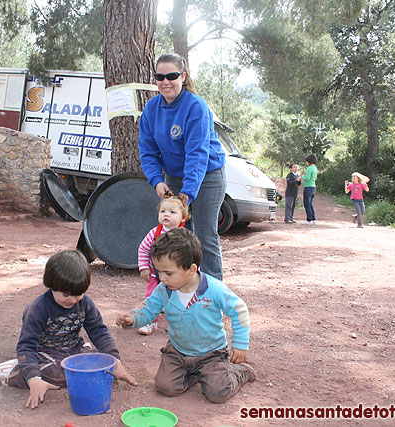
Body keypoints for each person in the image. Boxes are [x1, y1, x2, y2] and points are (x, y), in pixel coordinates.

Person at [0, 250, 136, 409]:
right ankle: (19, 372)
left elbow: (99, 331)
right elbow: (27, 345)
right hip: (45, 352)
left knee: (97, 366)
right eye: (66, 294)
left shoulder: (85, 303)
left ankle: (35, 369)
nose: (73, 300)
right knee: (61, 373)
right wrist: (34, 379)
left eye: (79, 294)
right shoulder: (37, 310)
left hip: (73, 349)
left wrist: (115, 362)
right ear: (52, 285)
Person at [116, 228, 255, 403]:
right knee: (165, 387)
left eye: (168, 273)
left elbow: (239, 309)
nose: (161, 278)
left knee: (217, 393)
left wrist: (241, 345)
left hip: (211, 353)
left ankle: (239, 372)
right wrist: (132, 319)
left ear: (191, 269)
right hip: (178, 351)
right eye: (158, 271)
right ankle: (197, 375)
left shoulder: (214, 289)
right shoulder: (164, 290)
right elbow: (149, 309)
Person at [138, 52, 226, 281]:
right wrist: (157, 181)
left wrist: (188, 192)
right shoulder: (151, 109)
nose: (165, 81)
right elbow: (147, 152)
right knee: (177, 236)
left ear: (183, 76)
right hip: (175, 177)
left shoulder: (196, 107)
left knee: (204, 236)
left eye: (172, 76)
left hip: (207, 176)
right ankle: (180, 289)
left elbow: (197, 154)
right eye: (160, 76)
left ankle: (211, 294)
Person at [137, 193, 189, 335]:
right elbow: (143, 249)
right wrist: (144, 267)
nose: (167, 215)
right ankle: (150, 322)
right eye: (163, 211)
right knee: (151, 298)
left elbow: (190, 256)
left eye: (172, 212)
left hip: (176, 278)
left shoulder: (183, 236)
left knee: (180, 300)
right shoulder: (154, 233)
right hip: (155, 274)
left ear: (183, 218)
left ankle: (179, 325)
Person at [301, 154, 318, 224]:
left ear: (309, 161)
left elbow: (307, 178)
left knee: (307, 204)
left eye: (307, 161)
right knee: (310, 203)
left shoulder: (309, 168)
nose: (306, 163)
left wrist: (302, 177)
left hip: (308, 187)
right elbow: (315, 178)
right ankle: (313, 219)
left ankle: (309, 219)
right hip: (313, 187)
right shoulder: (315, 168)